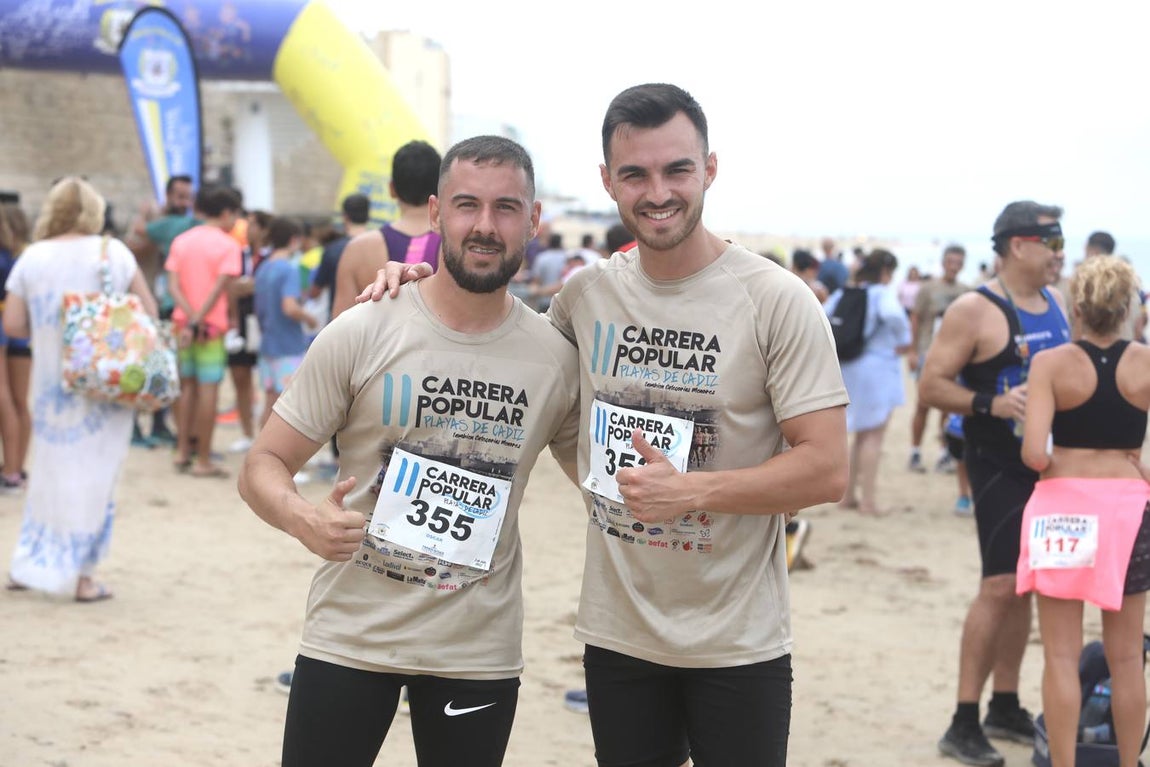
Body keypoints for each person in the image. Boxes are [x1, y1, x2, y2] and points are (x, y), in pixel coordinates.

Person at [362, 82, 849, 767]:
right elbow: (501, 343)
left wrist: (693, 492)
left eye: (676, 168)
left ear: (709, 168)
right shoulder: (586, 297)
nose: (657, 191)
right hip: (618, 635)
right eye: (635, 174)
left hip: (738, 639)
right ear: (607, 181)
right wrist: (413, 280)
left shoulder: (774, 300)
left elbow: (826, 467)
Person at [237, 135, 580, 767]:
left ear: (533, 220)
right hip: (350, 635)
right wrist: (303, 518)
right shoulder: (365, 329)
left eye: (506, 208)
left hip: (476, 652)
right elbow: (263, 463)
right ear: (435, 211)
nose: (484, 226)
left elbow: (607, 483)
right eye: (466, 205)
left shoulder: (556, 357)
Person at [920, 200, 1071, 767]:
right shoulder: (974, 309)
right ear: (1017, 245)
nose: (1060, 253)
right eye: (1051, 242)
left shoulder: (1058, 303)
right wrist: (991, 401)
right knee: (998, 585)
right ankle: (962, 720)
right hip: (994, 463)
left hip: (1048, 467)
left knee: (1026, 584)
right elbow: (932, 385)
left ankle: (1004, 705)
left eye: (1062, 242)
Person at [1015, 255, 1150, 767]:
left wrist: (1055, 460)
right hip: (1127, 510)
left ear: (1077, 305)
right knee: (1125, 658)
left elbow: (1033, 454)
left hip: (1062, 507)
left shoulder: (1050, 363)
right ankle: (1128, 763)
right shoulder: (1146, 362)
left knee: (1062, 655)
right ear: (1128, 308)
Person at [2, 176, 158, 601]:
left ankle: (30, 565)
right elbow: (148, 311)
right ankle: (84, 576)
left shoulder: (32, 257)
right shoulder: (113, 252)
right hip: (108, 385)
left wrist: (51, 326)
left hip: (53, 386)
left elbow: (13, 324)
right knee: (98, 478)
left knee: (50, 474)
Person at [825, 249, 911, 516]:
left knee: (857, 433)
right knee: (873, 436)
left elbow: (825, 314)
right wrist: (903, 340)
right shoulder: (882, 293)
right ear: (886, 271)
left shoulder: (847, 292)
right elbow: (894, 316)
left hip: (849, 365)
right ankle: (868, 502)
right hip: (877, 368)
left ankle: (847, 496)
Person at [166, 184, 244, 478]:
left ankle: (182, 450)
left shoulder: (182, 241)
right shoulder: (228, 245)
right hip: (210, 327)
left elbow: (173, 286)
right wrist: (200, 319)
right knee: (208, 389)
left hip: (181, 325)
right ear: (226, 212)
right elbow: (220, 288)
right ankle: (202, 459)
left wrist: (188, 318)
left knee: (185, 387)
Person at [331, 140, 442, 320]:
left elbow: (338, 325)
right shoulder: (455, 246)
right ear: (440, 187)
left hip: (377, 348)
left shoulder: (358, 249)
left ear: (391, 189)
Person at [126, 174, 195, 448]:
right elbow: (132, 246)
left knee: (162, 368)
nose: (184, 202)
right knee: (139, 365)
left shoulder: (179, 224)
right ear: (168, 195)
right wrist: (152, 229)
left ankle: (157, 423)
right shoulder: (155, 221)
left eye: (188, 196)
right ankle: (133, 427)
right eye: (179, 196)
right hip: (145, 303)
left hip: (168, 307)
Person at [908, 245, 971, 474]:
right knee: (923, 405)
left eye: (958, 262)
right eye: (950, 261)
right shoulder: (928, 289)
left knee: (948, 407)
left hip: (954, 357)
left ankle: (944, 453)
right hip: (928, 352)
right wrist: (913, 351)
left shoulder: (966, 291)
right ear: (943, 262)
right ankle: (915, 451)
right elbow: (915, 319)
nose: (954, 266)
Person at [253, 216, 314, 427]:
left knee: (270, 401)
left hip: (268, 343)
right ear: (294, 239)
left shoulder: (263, 269)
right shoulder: (289, 269)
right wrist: (310, 318)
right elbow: (290, 307)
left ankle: (260, 452)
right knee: (286, 408)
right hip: (288, 346)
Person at [224, 209, 272, 454]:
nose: (248, 229)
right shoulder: (238, 254)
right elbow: (232, 287)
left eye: (253, 224)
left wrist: (249, 286)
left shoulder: (272, 256)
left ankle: (266, 437)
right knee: (240, 377)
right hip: (241, 322)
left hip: (265, 324)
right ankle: (246, 432)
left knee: (270, 385)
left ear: (264, 229)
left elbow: (256, 285)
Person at [309, 193, 371, 319]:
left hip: (339, 320)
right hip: (372, 320)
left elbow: (315, 291)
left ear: (345, 216)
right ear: (368, 215)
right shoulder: (382, 245)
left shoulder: (333, 249)